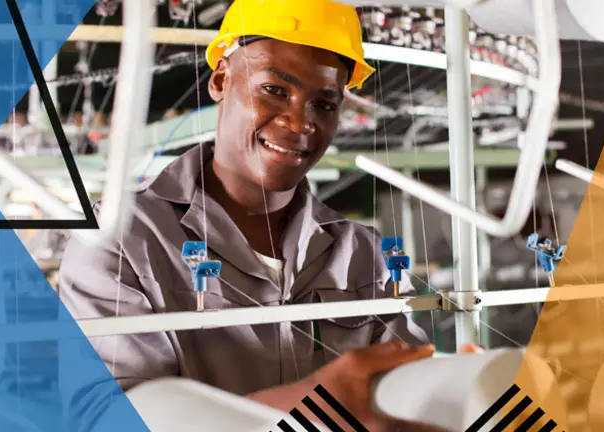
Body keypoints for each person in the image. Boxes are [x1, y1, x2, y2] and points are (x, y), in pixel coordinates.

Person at [58, 0, 479, 430]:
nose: (300, 122)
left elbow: (400, 385)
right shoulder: (121, 240)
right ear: (221, 78)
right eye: (275, 90)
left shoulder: (363, 256)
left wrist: (452, 383)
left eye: (325, 104)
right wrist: (301, 410)